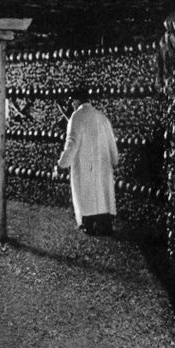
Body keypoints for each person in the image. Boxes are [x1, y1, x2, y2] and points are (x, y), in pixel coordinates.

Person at [55, 87, 119, 236]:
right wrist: (114, 161)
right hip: (103, 167)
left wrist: (61, 164)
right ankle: (104, 224)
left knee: (87, 196)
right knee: (102, 195)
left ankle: (88, 225)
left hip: (85, 168)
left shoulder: (76, 117)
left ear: (76, 101)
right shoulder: (101, 117)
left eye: (72, 102)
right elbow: (112, 144)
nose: (71, 105)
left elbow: (71, 144)